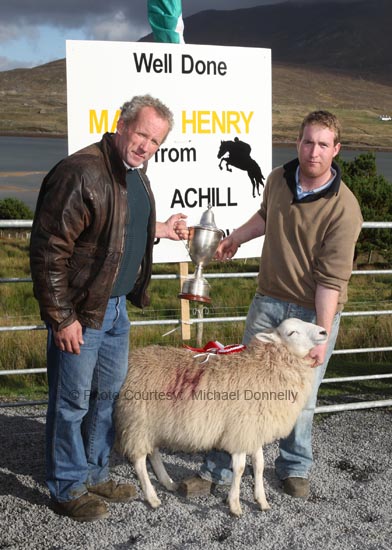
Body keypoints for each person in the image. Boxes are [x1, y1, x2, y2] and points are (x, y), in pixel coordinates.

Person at [178, 110, 363, 499]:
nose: (314, 151)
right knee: (240, 386)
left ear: (336, 150)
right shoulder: (279, 177)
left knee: (302, 395)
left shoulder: (345, 209)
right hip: (268, 301)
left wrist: (321, 335)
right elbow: (267, 216)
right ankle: (218, 471)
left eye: (323, 144)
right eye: (308, 142)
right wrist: (236, 239)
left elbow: (331, 282)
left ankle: (294, 467)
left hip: (313, 313)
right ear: (298, 142)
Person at [29, 94, 186, 522]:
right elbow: (48, 252)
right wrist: (62, 318)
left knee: (105, 398)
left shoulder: (133, 173)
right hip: (82, 312)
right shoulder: (81, 172)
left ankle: (95, 472)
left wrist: (161, 229)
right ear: (121, 125)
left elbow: (116, 226)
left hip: (115, 310)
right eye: (141, 134)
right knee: (72, 401)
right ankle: (66, 486)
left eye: (155, 141)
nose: (146, 146)